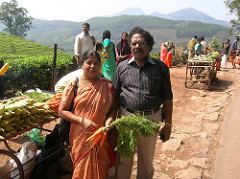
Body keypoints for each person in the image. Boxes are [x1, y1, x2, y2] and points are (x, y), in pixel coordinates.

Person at [115, 27, 173, 179]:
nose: (136, 46)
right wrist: (113, 120)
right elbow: (115, 95)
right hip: (126, 117)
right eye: (133, 43)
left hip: (150, 118)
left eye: (141, 43)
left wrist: (168, 124)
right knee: (124, 158)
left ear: (149, 45)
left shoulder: (160, 68)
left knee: (146, 160)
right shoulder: (122, 67)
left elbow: (167, 96)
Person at [58, 50, 117, 179]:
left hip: (101, 135)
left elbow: (113, 109)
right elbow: (62, 111)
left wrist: (108, 122)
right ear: (81, 64)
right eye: (88, 62)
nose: (92, 66)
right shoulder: (74, 84)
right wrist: (82, 121)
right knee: (81, 168)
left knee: (100, 168)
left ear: (100, 65)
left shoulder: (107, 86)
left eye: (96, 63)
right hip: (80, 135)